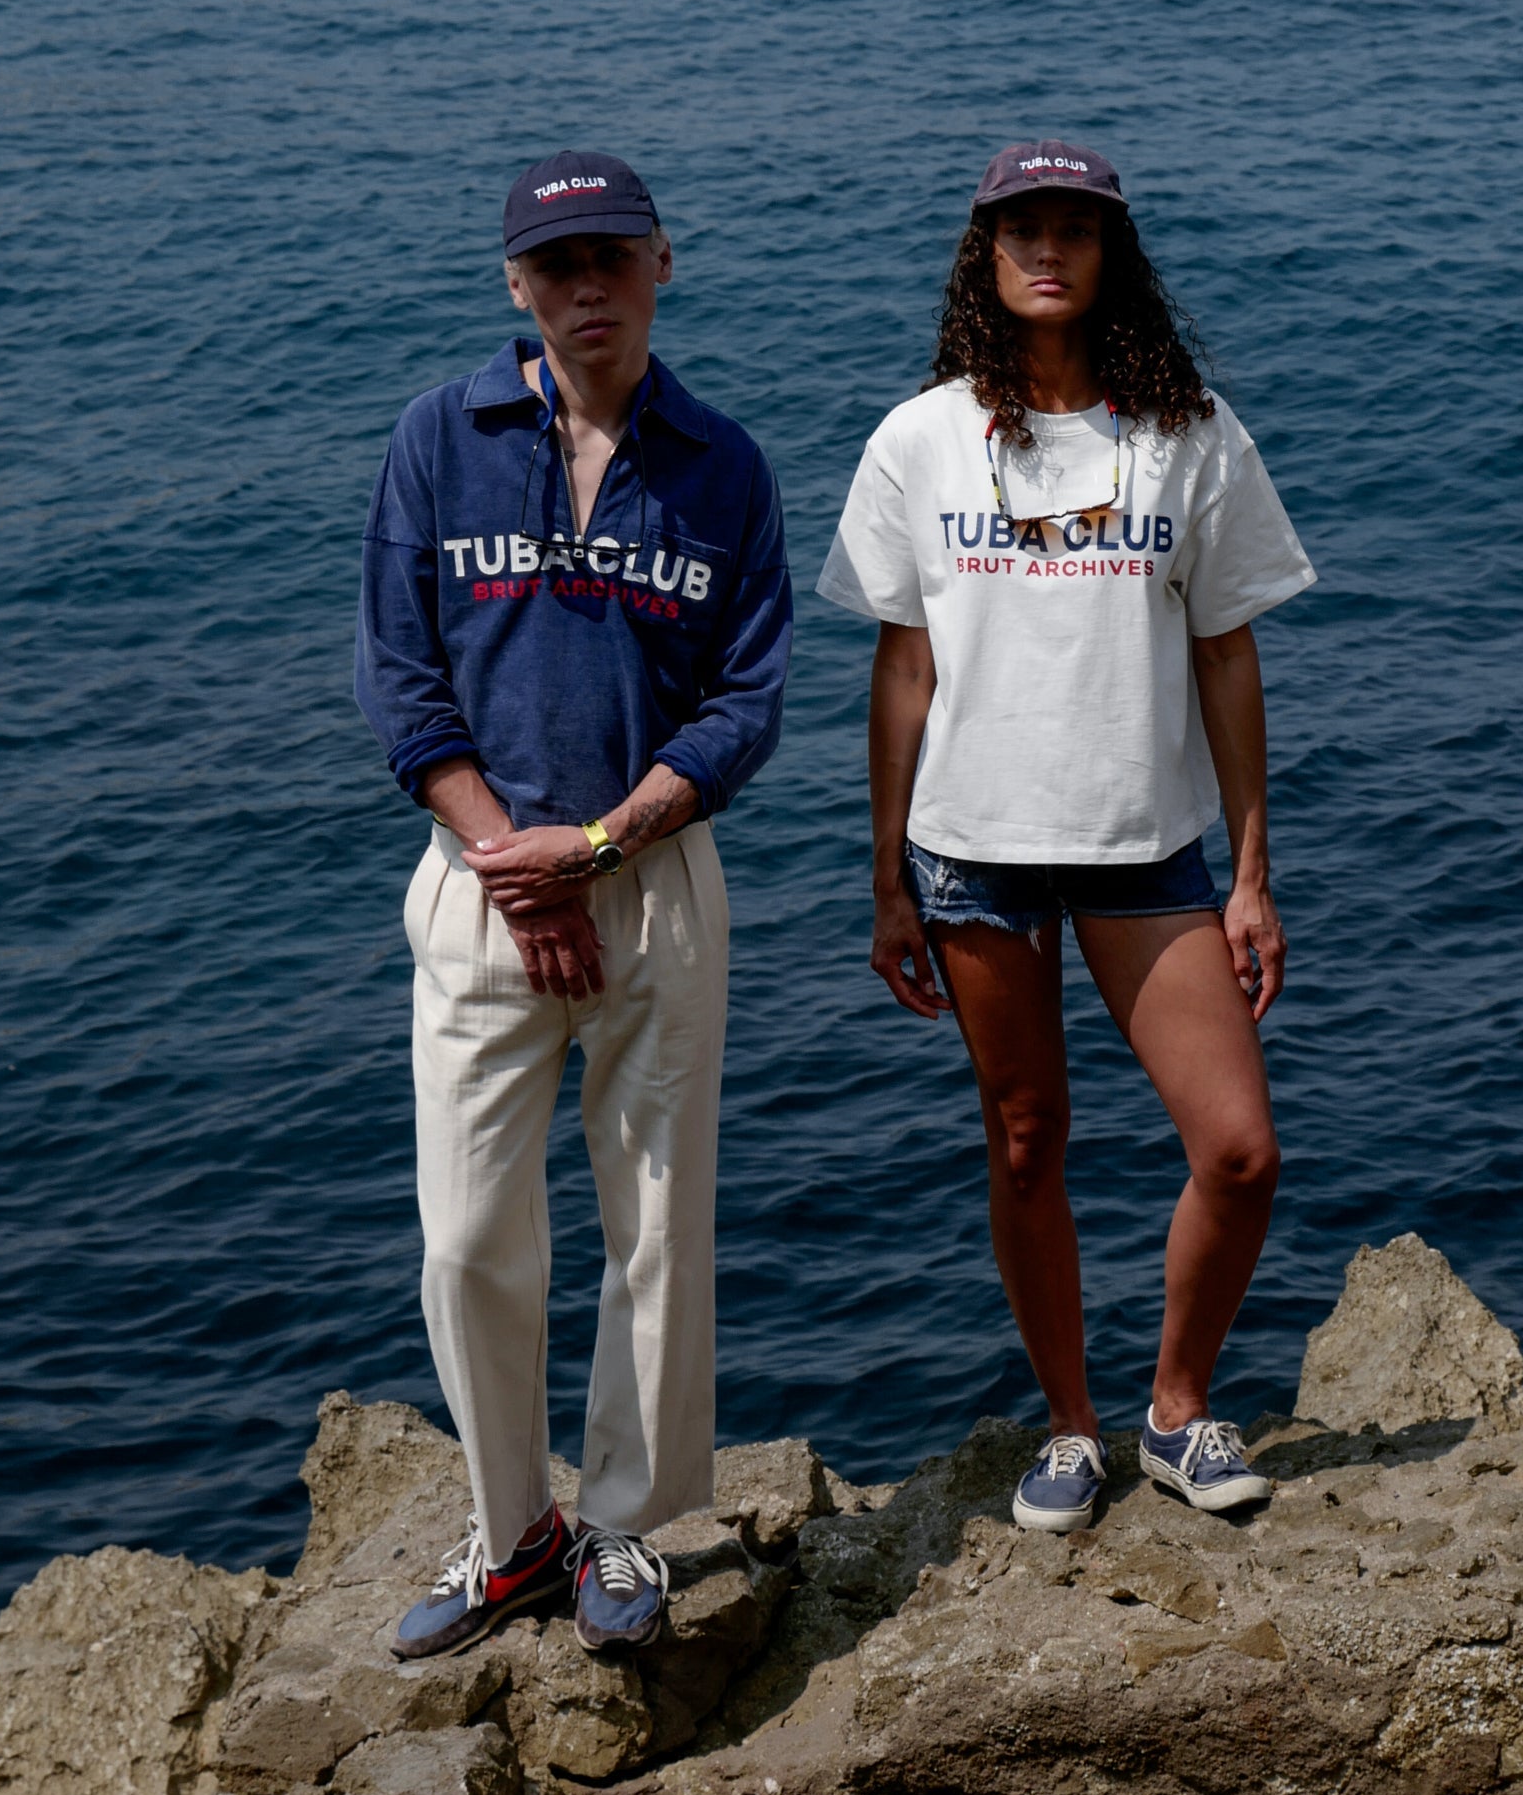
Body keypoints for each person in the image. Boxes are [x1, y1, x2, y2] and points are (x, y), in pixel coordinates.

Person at [818, 141, 1315, 1531]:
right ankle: (1072, 1428)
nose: (1049, 250)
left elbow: (1227, 653)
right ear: (984, 257)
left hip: (1145, 846)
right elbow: (904, 667)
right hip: (971, 850)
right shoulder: (919, 439)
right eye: (1022, 229)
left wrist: (1253, 876)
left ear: (1113, 255)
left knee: (1240, 1149)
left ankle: (1178, 1410)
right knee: (1029, 1140)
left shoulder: (1188, 434)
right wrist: (887, 877)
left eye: (1076, 230)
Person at [357, 149, 791, 1658]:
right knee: (468, 1239)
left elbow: (744, 705)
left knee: (656, 1228)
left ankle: (620, 1526)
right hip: (481, 888)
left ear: (663, 263)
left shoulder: (724, 466)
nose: (587, 286)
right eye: (557, 265)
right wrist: (514, 863)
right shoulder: (440, 437)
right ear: (516, 285)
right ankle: (511, 1535)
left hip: (654, 888)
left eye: (613, 256)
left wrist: (597, 849)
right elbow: (401, 679)